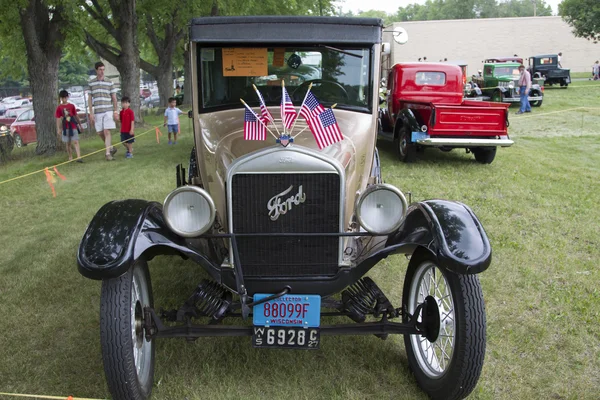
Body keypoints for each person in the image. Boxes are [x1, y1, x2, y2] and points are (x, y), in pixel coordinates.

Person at [87, 61, 119, 161]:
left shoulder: (109, 81)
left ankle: (107, 154)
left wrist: (115, 111)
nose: (102, 71)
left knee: (106, 131)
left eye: (103, 69)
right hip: (97, 111)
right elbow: (89, 99)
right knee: (100, 132)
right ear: (96, 70)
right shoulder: (91, 83)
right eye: (100, 69)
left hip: (108, 110)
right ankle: (111, 147)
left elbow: (114, 98)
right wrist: (91, 113)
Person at [55, 90, 83, 162]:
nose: (64, 99)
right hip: (65, 127)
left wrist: (80, 124)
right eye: (62, 98)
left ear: (67, 97)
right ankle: (70, 156)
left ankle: (79, 157)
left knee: (76, 141)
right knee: (68, 143)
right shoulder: (59, 107)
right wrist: (58, 128)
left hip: (73, 125)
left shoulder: (71, 106)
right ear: (60, 98)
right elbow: (58, 118)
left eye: (65, 97)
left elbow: (75, 115)